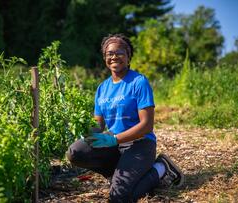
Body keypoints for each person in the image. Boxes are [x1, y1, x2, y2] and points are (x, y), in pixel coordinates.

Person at [66, 33, 184, 202]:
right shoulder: (102, 88)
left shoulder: (138, 82)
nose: (114, 56)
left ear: (128, 57)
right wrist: (79, 127)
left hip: (140, 144)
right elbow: (98, 126)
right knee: (75, 152)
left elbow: (146, 126)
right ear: (105, 58)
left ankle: (160, 169)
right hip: (115, 145)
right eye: (109, 53)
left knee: (120, 197)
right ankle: (118, 175)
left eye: (119, 52)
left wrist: (115, 139)